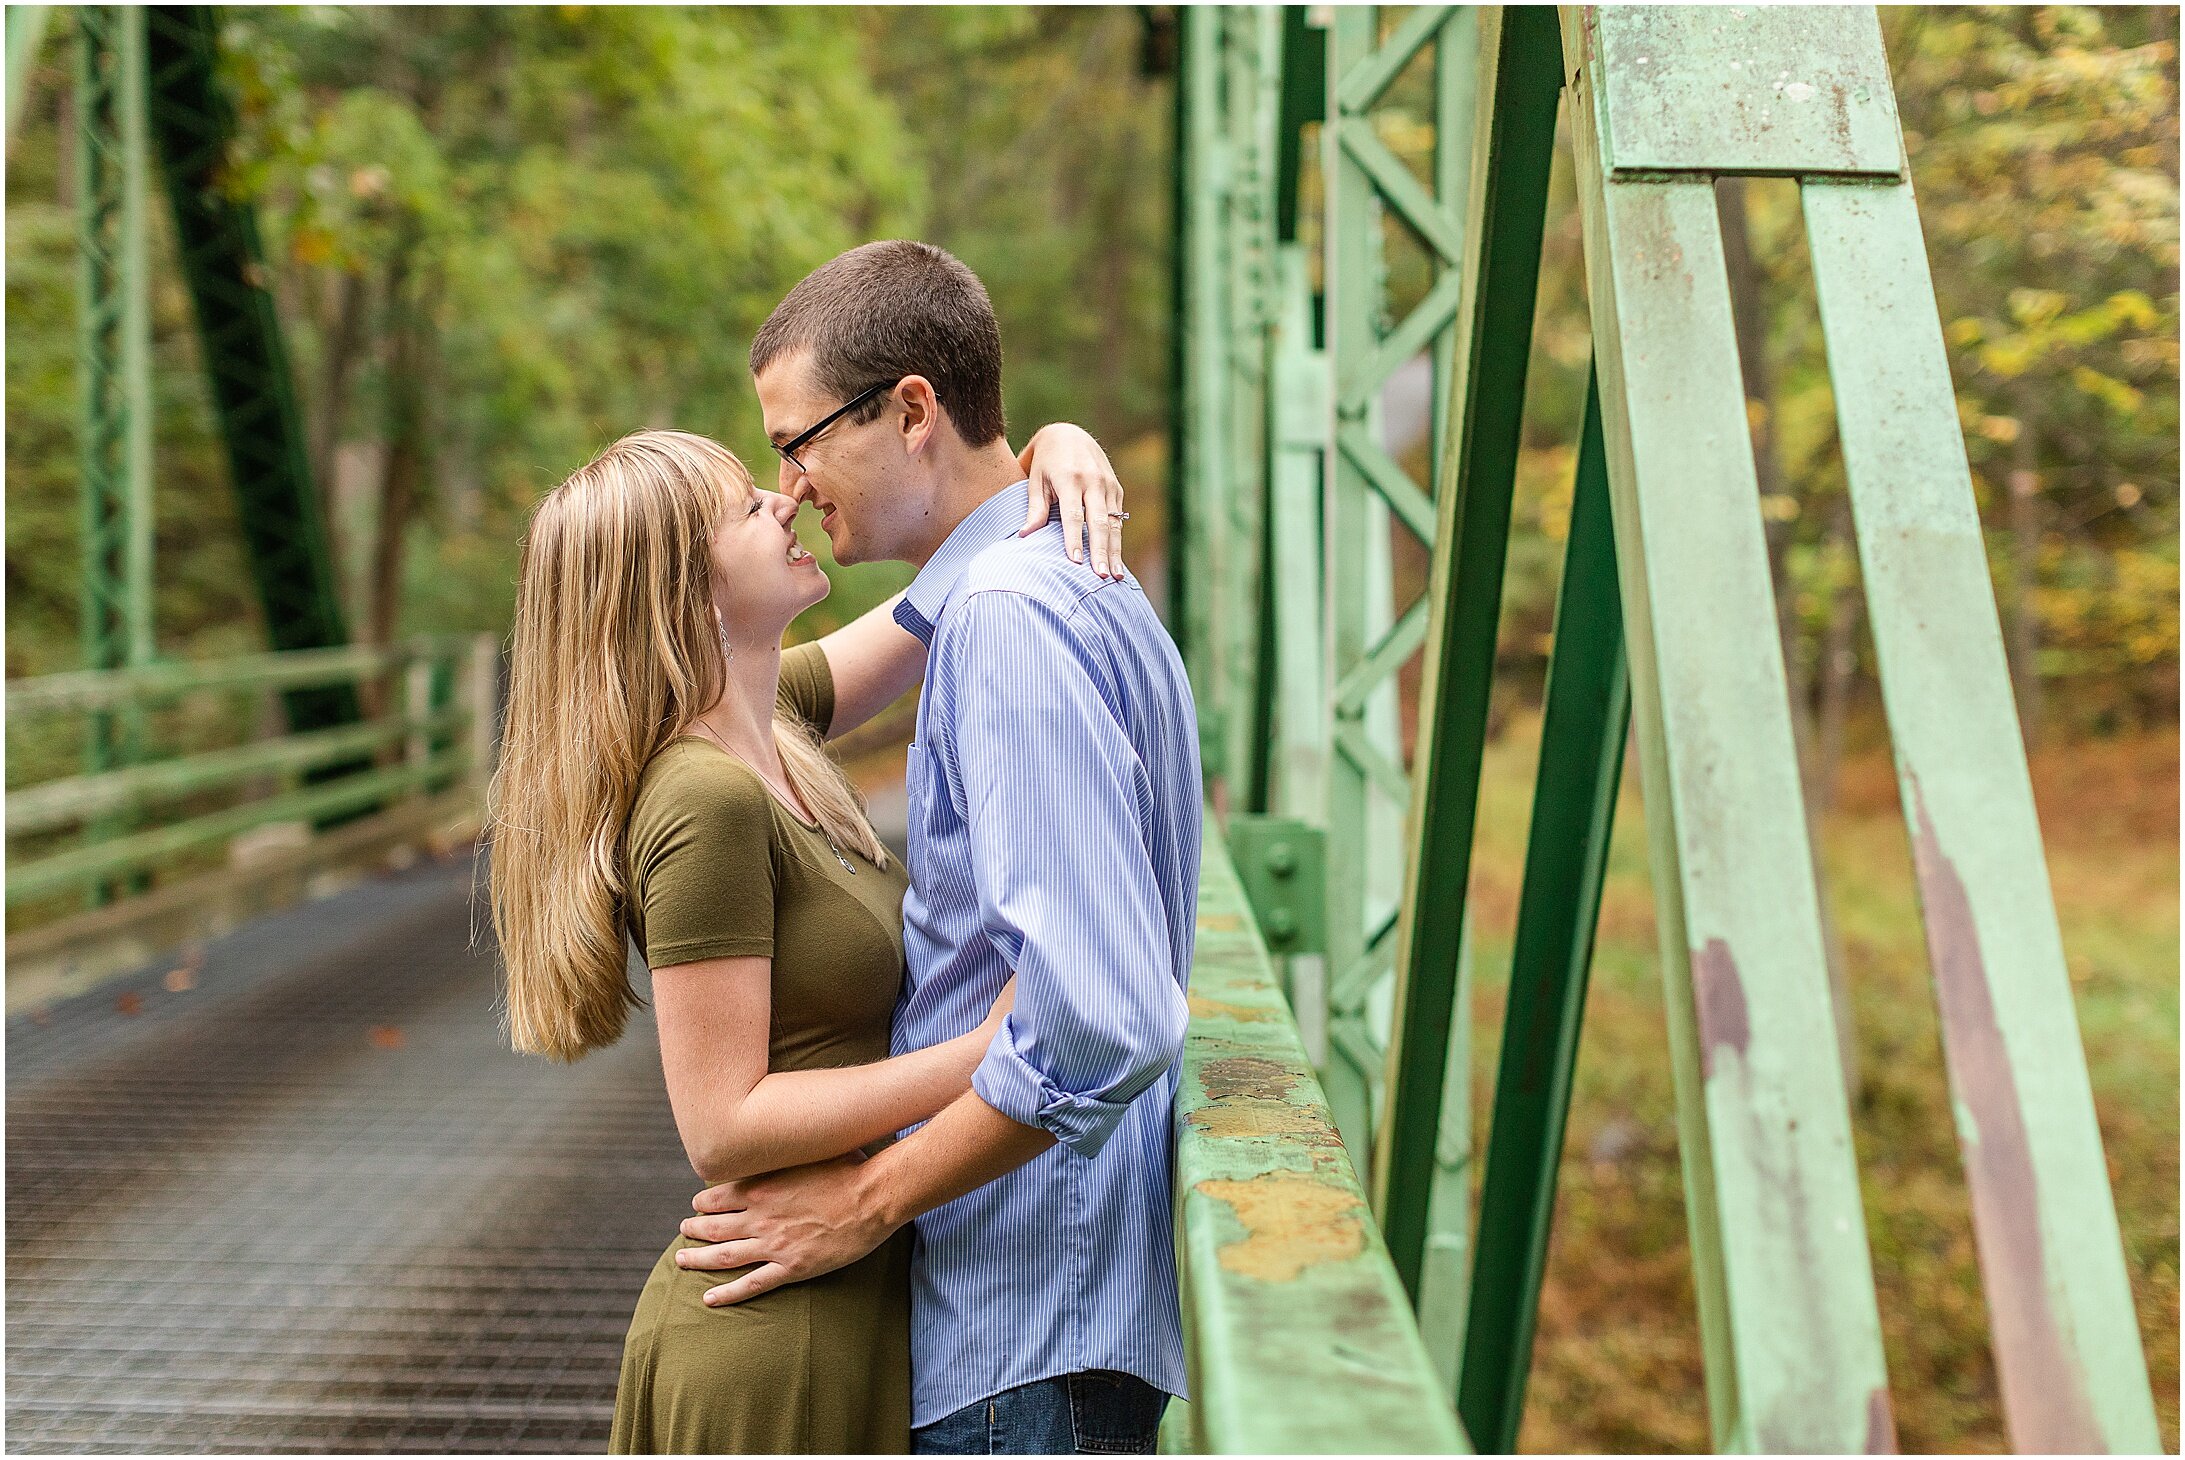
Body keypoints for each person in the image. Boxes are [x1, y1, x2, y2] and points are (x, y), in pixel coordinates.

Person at [487, 418, 1131, 1452]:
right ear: (686, 590)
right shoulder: (702, 798)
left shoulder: (768, 719)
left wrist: (1048, 450)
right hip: (772, 1337)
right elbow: (723, 1122)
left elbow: (939, 594)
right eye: (746, 506)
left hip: (851, 1290)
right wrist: (985, 1054)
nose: (783, 499)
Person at [673, 240, 1202, 1455]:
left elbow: (1100, 1014)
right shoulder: (1058, 579)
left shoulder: (1010, 622)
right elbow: (789, 685)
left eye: (799, 441)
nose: (792, 484)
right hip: (1054, 1304)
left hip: (1025, 1314)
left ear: (911, 409)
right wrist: (1043, 446)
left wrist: (866, 1199)